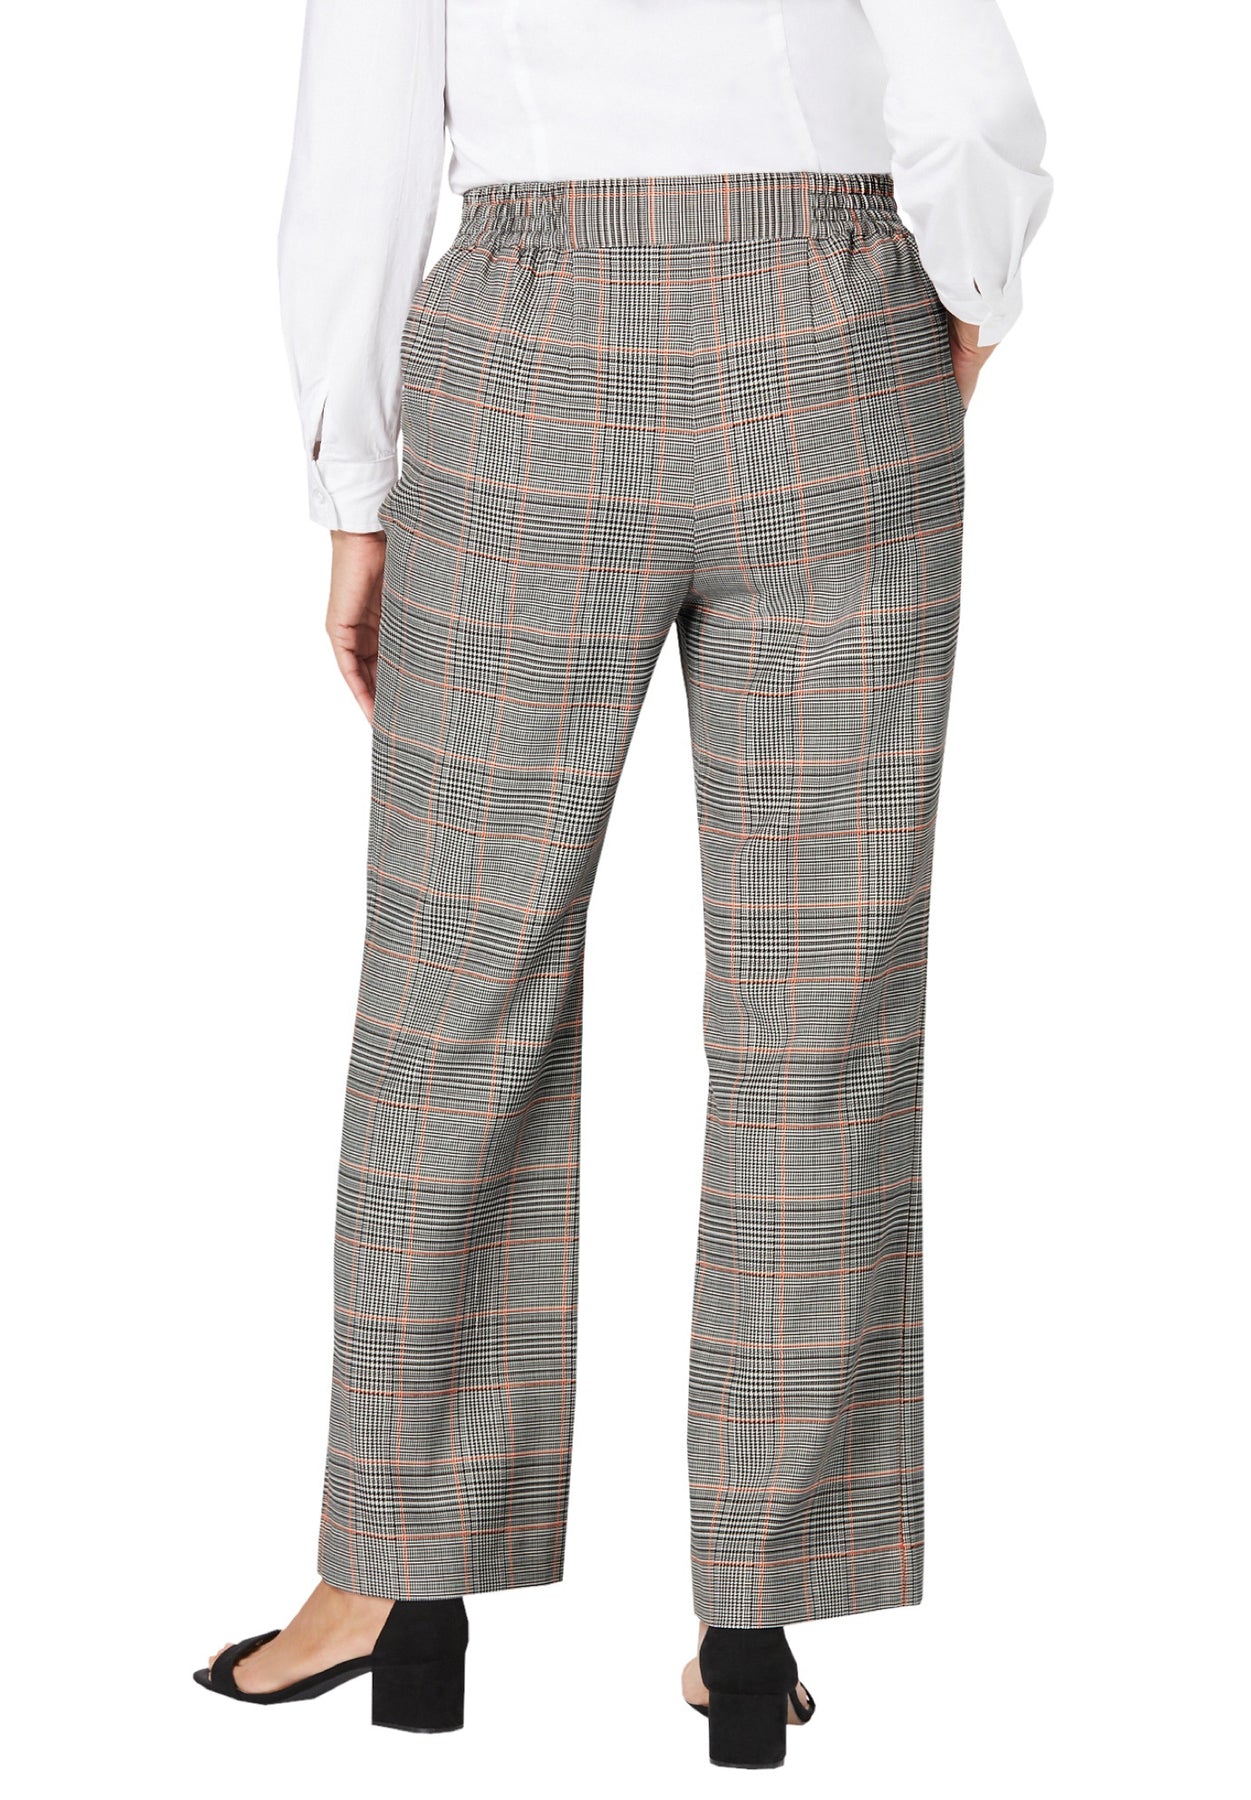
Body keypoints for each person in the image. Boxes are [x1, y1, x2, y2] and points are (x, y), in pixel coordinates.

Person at [194, 0, 1051, 1768]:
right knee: (822, 1014)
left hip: (529, 349)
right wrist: (964, 286)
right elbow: (968, 97)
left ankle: (396, 1580)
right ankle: (754, 1622)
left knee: (456, 997)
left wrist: (354, 487)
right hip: (841, 344)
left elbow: (357, 154)